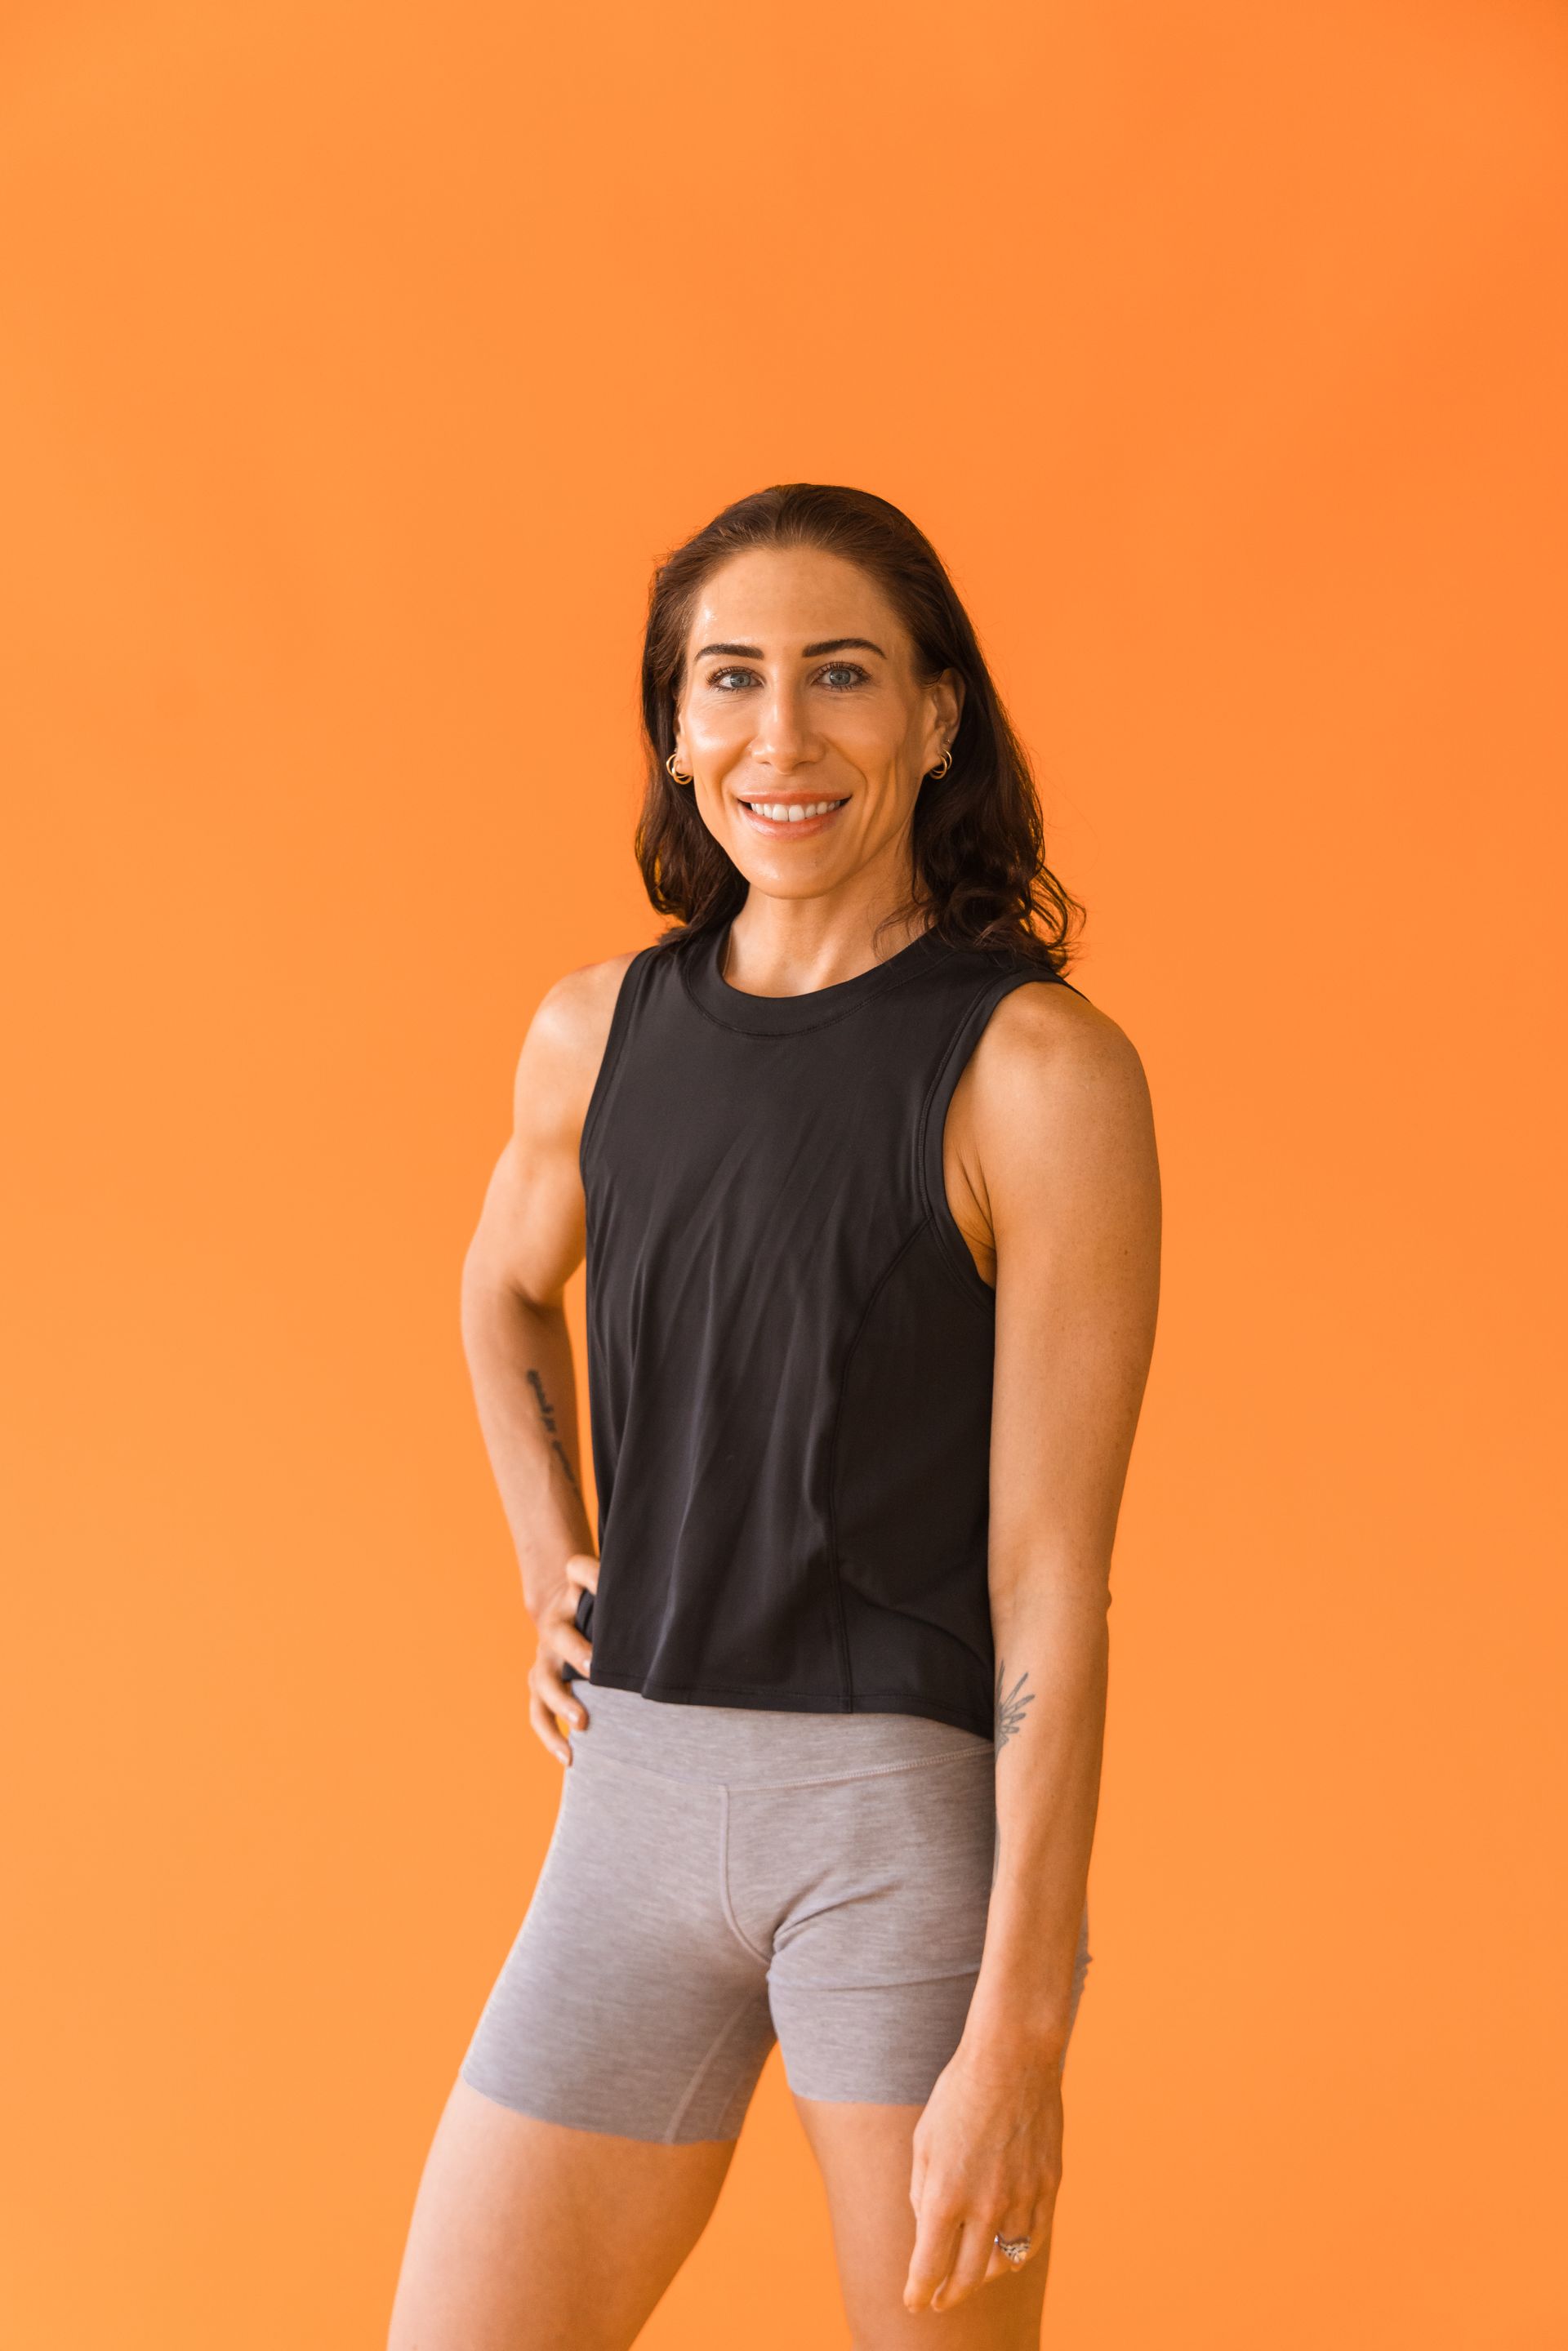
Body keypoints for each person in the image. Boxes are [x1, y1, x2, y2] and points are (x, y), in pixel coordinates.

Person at [387, 483, 1161, 2351]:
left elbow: (1054, 1579)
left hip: (898, 1838)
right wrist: (550, 1553)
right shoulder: (597, 1032)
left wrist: (1021, 2032)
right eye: (728, 681)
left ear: (939, 717)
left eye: (844, 676)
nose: (781, 737)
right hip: (633, 1811)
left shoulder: (1037, 1073)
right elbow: (500, 1284)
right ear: (674, 727)